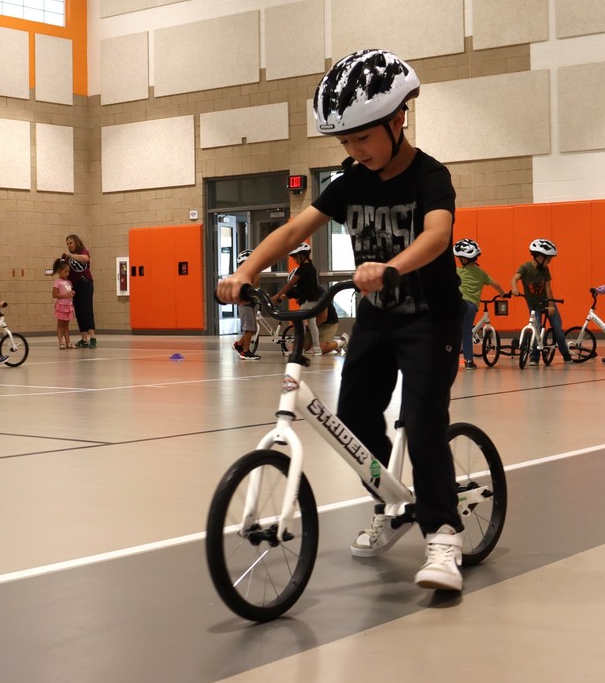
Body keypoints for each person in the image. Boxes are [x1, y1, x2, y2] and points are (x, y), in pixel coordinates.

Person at [218, 49, 467, 592]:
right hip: (377, 320)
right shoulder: (351, 181)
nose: (354, 151)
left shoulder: (430, 176)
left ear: (399, 119)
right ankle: (391, 503)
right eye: (345, 143)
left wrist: (393, 266)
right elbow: (292, 231)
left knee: (423, 422)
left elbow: (437, 235)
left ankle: (444, 534)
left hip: (430, 318)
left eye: (364, 138)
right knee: (353, 418)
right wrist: (245, 269)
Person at [511, 239, 573, 364]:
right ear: (539, 257)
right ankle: (534, 356)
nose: (549, 262)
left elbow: (548, 289)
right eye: (548, 259)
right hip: (533, 304)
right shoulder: (526, 268)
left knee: (557, 328)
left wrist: (551, 305)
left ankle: (565, 354)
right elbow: (515, 277)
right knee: (536, 328)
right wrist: (514, 288)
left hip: (546, 301)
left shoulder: (545, 270)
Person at [454, 238, 507, 370]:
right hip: (471, 306)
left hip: (457, 303)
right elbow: (495, 284)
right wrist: (502, 293)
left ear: (464, 259)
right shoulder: (481, 273)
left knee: (453, 331)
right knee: (467, 332)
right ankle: (469, 361)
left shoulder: (459, 271)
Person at [271, 242, 322, 353]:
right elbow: (298, 289)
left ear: (301, 256)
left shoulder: (303, 268)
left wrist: (277, 295)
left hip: (307, 301)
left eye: (295, 258)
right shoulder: (311, 267)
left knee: (299, 323)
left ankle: (299, 348)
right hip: (314, 300)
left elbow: (290, 285)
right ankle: (316, 347)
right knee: (312, 323)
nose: (295, 260)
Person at [63, 234, 96, 348]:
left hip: (86, 283)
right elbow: (65, 270)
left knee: (87, 309)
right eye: (67, 244)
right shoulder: (68, 257)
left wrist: (71, 255)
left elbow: (85, 259)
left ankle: (93, 338)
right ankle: (84, 338)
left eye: (71, 243)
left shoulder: (83, 251)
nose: (69, 245)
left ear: (76, 242)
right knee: (79, 311)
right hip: (75, 285)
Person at [232, 249, 261, 360]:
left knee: (252, 330)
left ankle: (239, 345)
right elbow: (250, 288)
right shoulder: (244, 276)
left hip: (250, 304)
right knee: (249, 329)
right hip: (246, 305)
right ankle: (245, 351)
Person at [51, 257, 76, 349]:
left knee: (66, 326)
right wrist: (65, 296)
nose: (67, 274)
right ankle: (61, 342)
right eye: (65, 272)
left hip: (68, 306)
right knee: (60, 325)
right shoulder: (57, 282)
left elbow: (69, 291)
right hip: (61, 306)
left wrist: (72, 293)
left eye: (68, 272)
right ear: (59, 271)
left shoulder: (69, 282)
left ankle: (68, 342)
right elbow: (54, 294)